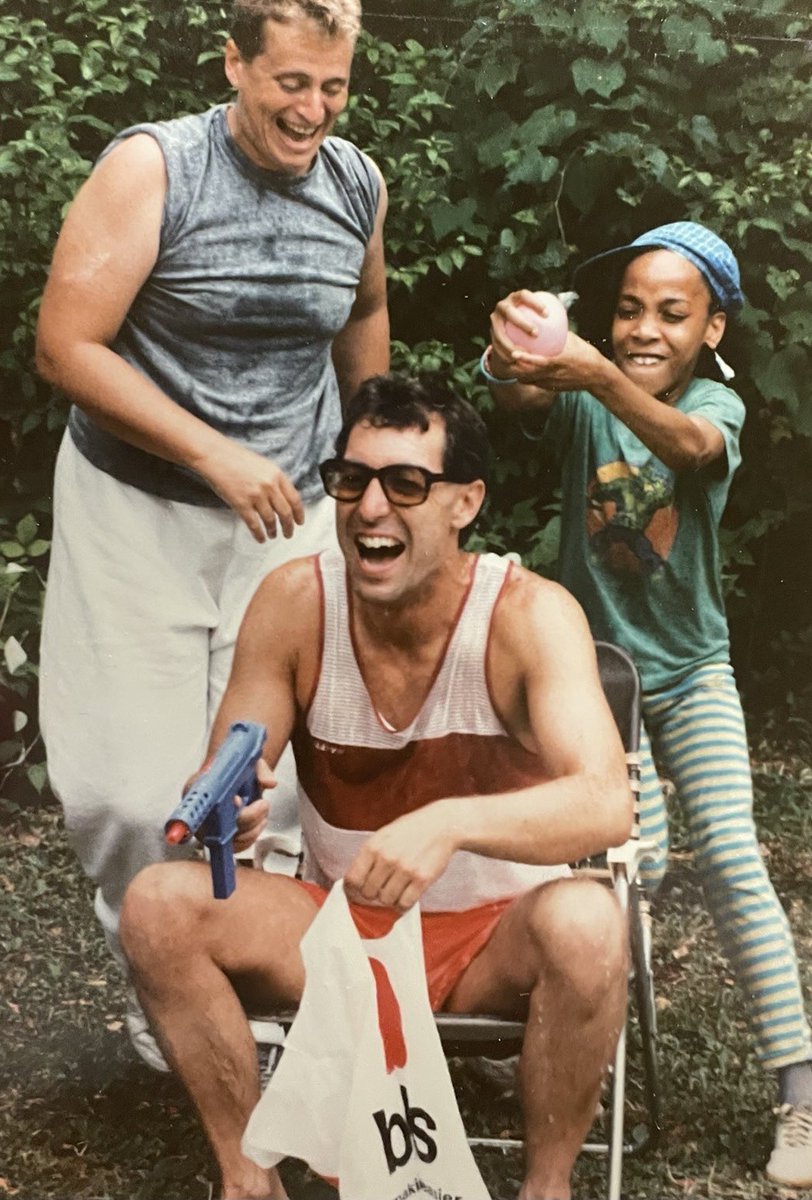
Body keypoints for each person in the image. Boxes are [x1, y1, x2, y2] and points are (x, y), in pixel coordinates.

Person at [119, 374, 633, 1200]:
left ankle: (548, 1189)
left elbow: (606, 801)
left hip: (493, 942)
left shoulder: (526, 614)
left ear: (466, 503)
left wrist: (450, 823)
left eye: (406, 485)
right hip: (342, 934)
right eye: (352, 480)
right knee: (155, 904)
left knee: (588, 918)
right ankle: (248, 1182)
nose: (369, 507)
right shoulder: (295, 602)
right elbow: (233, 765)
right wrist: (232, 807)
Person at [34, 0, 389, 1065]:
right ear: (233, 63)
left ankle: (257, 1007)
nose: (313, 110)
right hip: (135, 507)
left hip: (286, 515)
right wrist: (214, 453)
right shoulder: (154, 169)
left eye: (332, 87)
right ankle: (159, 965)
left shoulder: (355, 183)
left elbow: (363, 307)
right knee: (124, 791)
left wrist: (366, 454)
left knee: (268, 781)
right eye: (290, 83)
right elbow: (67, 343)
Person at [484, 221, 812, 1187]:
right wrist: (517, 347)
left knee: (734, 855)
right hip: (592, 679)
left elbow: (689, 445)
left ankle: (800, 1094)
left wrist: (589, 372)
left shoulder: (717, 405)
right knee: (637, 863)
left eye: (672, 313)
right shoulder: (578, 396)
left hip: (693, 672)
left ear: (713, 328)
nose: (644, 328)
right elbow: (511, 395)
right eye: (628, 309)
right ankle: (579, 1053)